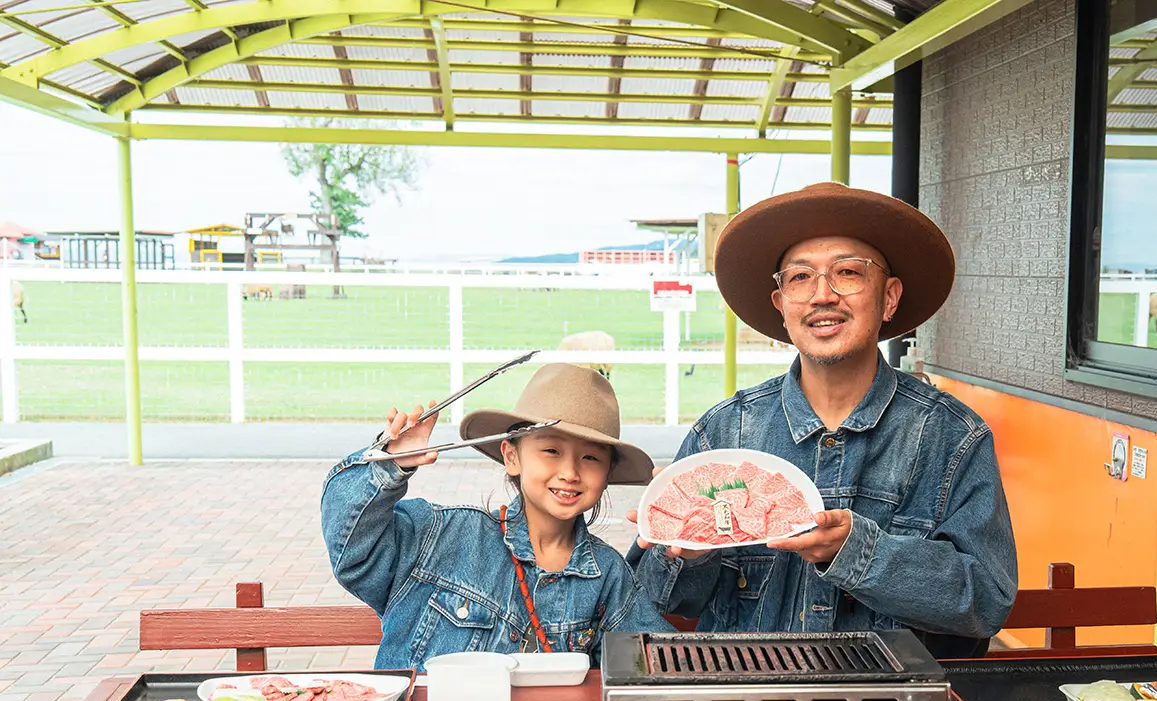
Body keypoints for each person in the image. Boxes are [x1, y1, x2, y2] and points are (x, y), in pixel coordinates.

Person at [628, 183, 1017, 658]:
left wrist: (858, 552)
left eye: (849, 273)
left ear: (889, 298)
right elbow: (660, 598)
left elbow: (987, 601)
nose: (822, 295)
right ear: (782, 307)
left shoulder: (952, 438)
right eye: (800, 278)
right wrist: (689, 550)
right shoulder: (723, 433)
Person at [323, 363, 674, 671]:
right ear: (512, 456)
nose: (569, 472)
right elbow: (353, 552)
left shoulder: (608, 574)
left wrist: (675, 542)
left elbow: (654, 660)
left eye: (591, 458)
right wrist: (388, 465)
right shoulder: (442, 536)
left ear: (608, 473)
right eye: (551, 450)